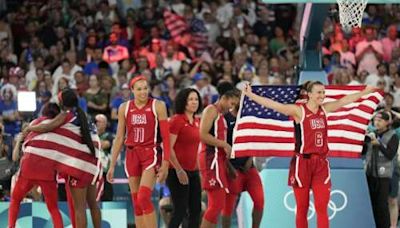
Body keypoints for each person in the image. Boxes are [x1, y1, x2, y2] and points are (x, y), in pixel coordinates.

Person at [242, 81, 376, 228]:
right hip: (302, 163)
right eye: (319, 92)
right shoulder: (299, 111)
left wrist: (365, 92)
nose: (322, 95)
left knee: (322, 208)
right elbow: (274, 105)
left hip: (321, 164)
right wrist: (250, 95)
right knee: (302, 209)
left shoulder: (325, 109)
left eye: (324, 92)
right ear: (310, 94)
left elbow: (344, 100)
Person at [23, 88, 101, 228]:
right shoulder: (85, 116)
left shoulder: (67, 115)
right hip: (93, 165)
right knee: (93, 203)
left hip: (79, 166)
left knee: (79, 208)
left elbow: (48, 127)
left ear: (62, 102)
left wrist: (30, 129)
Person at [106, 75, 170, 228]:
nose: (143, 92)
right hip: (131, 154)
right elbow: (120, 137)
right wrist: (112, 165)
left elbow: (166, 138)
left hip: (150, 154)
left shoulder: (158, 105)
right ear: (132, 90)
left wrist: (165, 164)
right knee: (136, 202)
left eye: (145, 88)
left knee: (143, 198)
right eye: (139, 89)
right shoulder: (124, 108)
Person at [8, 103, 63, 228]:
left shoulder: (34, 123)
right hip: (47, 171)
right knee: (53, 207)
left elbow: (25, 142)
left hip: (29, 167)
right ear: (57, 115)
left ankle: (11, 226)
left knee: (15, 199)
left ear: (43, 112)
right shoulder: (60, 128)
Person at [199, 82, 240, 228]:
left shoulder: (222, 116)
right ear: (223, 97)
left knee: (217, 204)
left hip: (218, 161)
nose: (231, 106)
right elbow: (202, 135)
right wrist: (225, 144)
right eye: (231, 102)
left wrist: (228, 166)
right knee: (217, 204)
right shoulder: (211, 110)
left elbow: (220, 146)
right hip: (210, 159)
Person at [221, 92, 264, 228]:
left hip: (248, 167)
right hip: (231, 168)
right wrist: (228, 167)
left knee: (259, 201)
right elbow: (220, 146)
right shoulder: (224, 119)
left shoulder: (248, 118)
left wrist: (250, 159)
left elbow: (253, 140)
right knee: (228, 207)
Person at [167, 88, 203, 228]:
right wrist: (179, 170)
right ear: (183, 101)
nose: (194, 102)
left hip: (194, 172)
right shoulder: (176, 120)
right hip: (177, 172)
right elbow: (168, 148)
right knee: (180, 211)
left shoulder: (198, 121)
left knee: (196, 211)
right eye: (190, 99)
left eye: (196, 99)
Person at [364, 111, 399, 228]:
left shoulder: (393, 135)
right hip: (369, 174)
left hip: (384, 176)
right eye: (375, 120)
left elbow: (390, 154)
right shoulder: (371, 134)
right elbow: (363, 151)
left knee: (382, 206)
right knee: (371, 204)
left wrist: (378, 144)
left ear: (387, 122)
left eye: (380, 120)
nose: (376, 122)